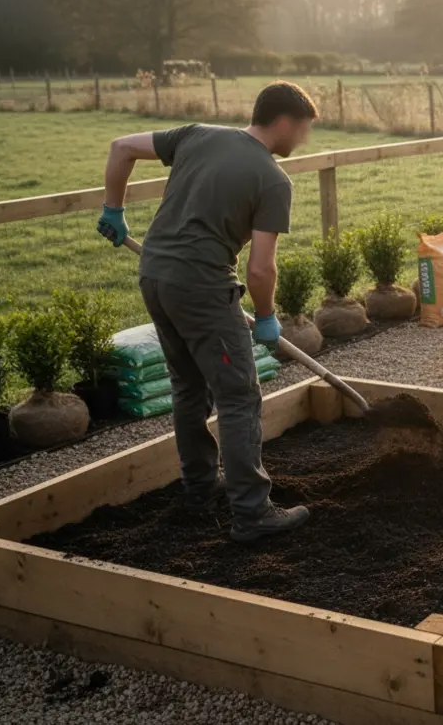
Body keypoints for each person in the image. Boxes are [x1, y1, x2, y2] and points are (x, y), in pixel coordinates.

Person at [96, 81, 317, 542]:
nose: (305, 140)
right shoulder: (273, 179)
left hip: (155, 277)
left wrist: (113, 208)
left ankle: (199, 489)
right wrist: (267, 315)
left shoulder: (198, 134)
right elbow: (260, 269)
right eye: (305, 129)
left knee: (189, 386)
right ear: (284, 123)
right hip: (201, 288)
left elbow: (121, 148)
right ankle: (252, 513)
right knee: (239, 396)